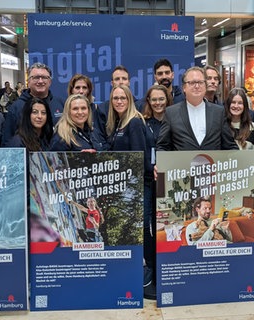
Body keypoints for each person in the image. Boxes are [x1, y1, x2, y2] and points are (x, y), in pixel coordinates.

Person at [106, 84, 156, 299]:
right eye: (115, 98)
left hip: (137, 186)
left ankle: (150, 271)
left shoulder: (134, 122)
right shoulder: (119, 123)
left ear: (130, 100)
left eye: (122, 98)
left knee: (143, 228)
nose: (119, 101)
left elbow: (139, 157)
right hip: (125, 185)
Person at [157, 66, 238, 151]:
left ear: (205, 86)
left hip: (212, 163)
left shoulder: (219, 112)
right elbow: (162, 147)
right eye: (192, 83)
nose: (197, 86)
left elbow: (230, 146)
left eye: (200, 82)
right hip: (182, 164)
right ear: (184, 87)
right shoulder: (171, 113)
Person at [1, 63, 64, 145]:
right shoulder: (16, 107)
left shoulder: (61, 104)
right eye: (36, 77)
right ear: (28, 81)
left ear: (50, 81)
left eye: (44, 77)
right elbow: (7, 140)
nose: (40, 81)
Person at [94, 65, 138, 151]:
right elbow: (99, 136)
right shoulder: (102, 109)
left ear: (129, 82)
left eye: (124, 79)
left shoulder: (139, 106)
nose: (121, 82)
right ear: (112, 83)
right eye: (117, 79)